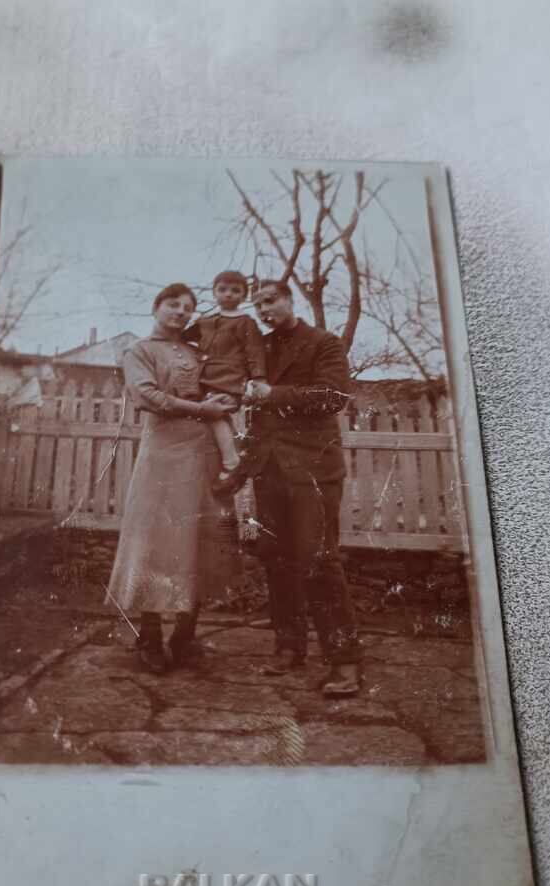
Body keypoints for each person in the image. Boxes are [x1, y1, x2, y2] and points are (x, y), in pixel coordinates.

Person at [105, 283, 237, 672]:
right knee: (156, 542)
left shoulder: (198, 354)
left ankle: (184, 637)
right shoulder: (139, 351)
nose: (181, 311)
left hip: (203, 457)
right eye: (173, 304)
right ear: (156, 307)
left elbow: (221, 390)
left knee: (198, 540)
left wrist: (223, 403)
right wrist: (204, 410)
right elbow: (146, 397)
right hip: (163, 457)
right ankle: (148, 639)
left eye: (188, 307)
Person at [243, 279, 361, 693]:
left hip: (313, 470)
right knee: (276, 559)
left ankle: (344, 661)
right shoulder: (260, 349)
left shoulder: (324, 342)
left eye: (270, 300)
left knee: (319, 561)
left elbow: (332, 396)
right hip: (269, 470)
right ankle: (289, 646)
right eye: (257, 304)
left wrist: (272, 394)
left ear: (290, 300)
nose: (263, 309)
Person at [183, 270, 268, 491]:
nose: (228, 294)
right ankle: (227, 459)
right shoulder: (205, 321)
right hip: (203, 378)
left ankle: (232, 463)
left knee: (215, 416)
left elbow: (255, 352)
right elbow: (180, 338)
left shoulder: (245, 323)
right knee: (208, 418)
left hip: (228, 380)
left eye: (235, 291)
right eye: (222, 289)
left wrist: (258, 378)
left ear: (243, 296)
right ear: (214, 292)